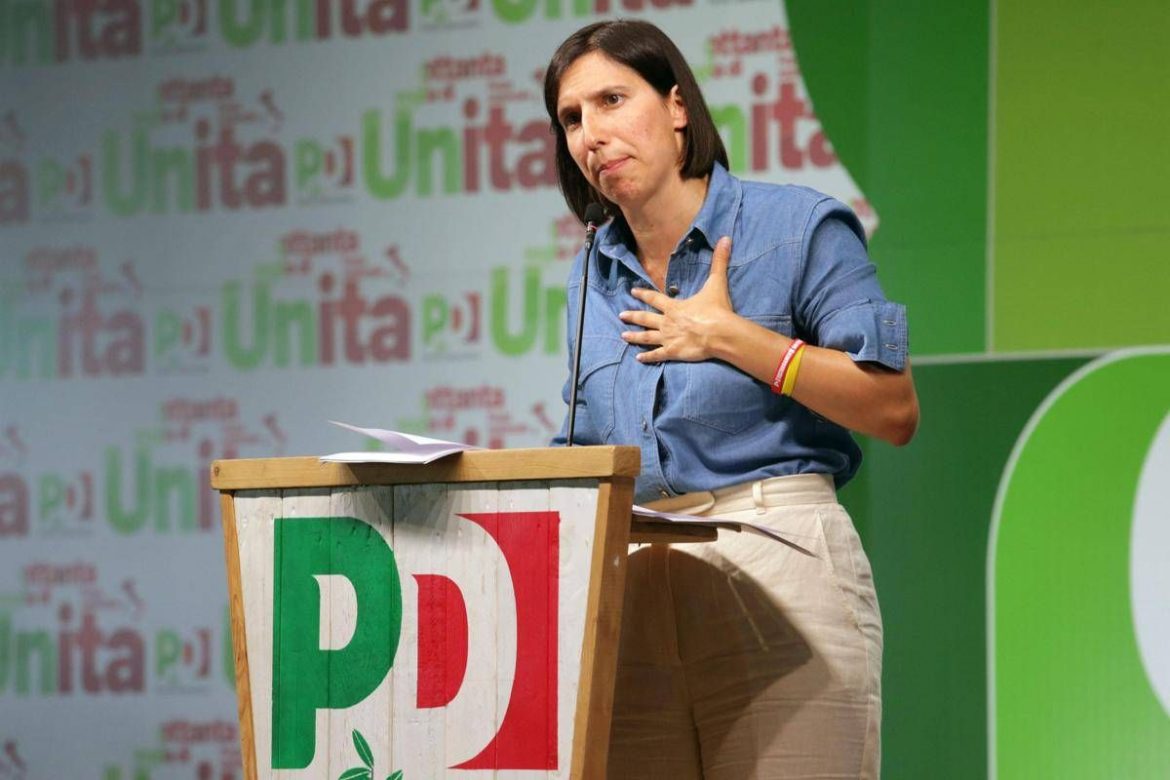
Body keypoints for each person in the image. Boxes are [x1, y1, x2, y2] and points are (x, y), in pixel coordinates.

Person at [545, 19, 918, 780]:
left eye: (612, 100)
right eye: (572, 118)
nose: (591, 134)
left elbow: (892, 407)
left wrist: (732, 337)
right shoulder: (591, 275)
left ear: (677, 106)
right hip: (633, 583)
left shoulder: (797, 226)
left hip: (776, 554)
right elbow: (584, 453)